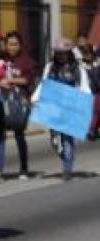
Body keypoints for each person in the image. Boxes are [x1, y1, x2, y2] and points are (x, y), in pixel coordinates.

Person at [40, 38, 91, 181]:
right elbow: (44, 83)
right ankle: (65, 156)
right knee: (55, 141)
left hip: (70, 107)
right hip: (54, 108)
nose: (62, 56)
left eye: (65, 53)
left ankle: (67, 168)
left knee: (68, 139)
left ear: (69, 53)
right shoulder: (49, 67)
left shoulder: (77, 68)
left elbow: (84, 87)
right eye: (59, 53)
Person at [0, 31, 36, 183]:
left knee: (19, 135)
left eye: (15, 44)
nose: (12, 47)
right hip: (3, 102)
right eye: (10, 44)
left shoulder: (27, 61)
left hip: (20, 103)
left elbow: (28, 79)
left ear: (20, 45)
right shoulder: (1, 60)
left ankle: (24, 169)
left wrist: (11, 80)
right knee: (0, 136)